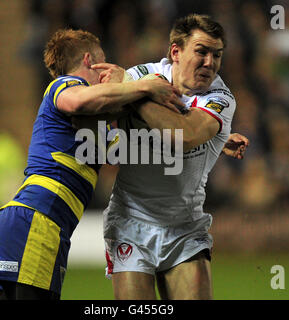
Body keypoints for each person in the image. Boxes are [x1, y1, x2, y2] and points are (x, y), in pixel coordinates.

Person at [0, 28, 183, 300]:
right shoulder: (63, 86)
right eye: (103, 65)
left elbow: (144, 146)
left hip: (27, 224)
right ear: (89, 60)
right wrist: (142, 85)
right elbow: (79, 101)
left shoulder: (94, 133)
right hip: (37, 223)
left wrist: (212, 137)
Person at [101, 14, 249, 300]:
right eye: (202, 52)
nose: (210, 63)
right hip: (130, 221)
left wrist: (137, 94)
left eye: (217, 55)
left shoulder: (220, 97)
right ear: (176, 52)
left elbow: (185, 135)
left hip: (185, 227)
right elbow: (99, 111)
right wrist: (132, 88)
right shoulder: (140, 73)